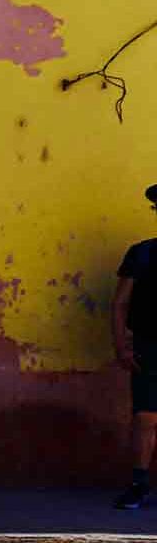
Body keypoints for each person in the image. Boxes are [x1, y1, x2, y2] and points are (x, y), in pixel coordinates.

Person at [111, 184, 157, 509]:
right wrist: (121, 347)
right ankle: (139, 483)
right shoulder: (141, 253)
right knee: (146, 418)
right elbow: (120, 304)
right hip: (149, 346)